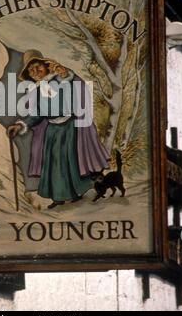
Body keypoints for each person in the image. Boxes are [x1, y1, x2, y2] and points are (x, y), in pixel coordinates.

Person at [7, 49, 109, 209]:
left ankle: (75, 193)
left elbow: (76, 84)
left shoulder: (60, 80)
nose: (35, 71)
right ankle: (58, 197)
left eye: (38, 67)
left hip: (69, 127)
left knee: (70, 160)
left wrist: (65, 73)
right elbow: (36, 115)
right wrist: (19, 126)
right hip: (52, 130)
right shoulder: (38, 91)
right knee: (53, 163)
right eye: (31, 70)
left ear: (46, 66)